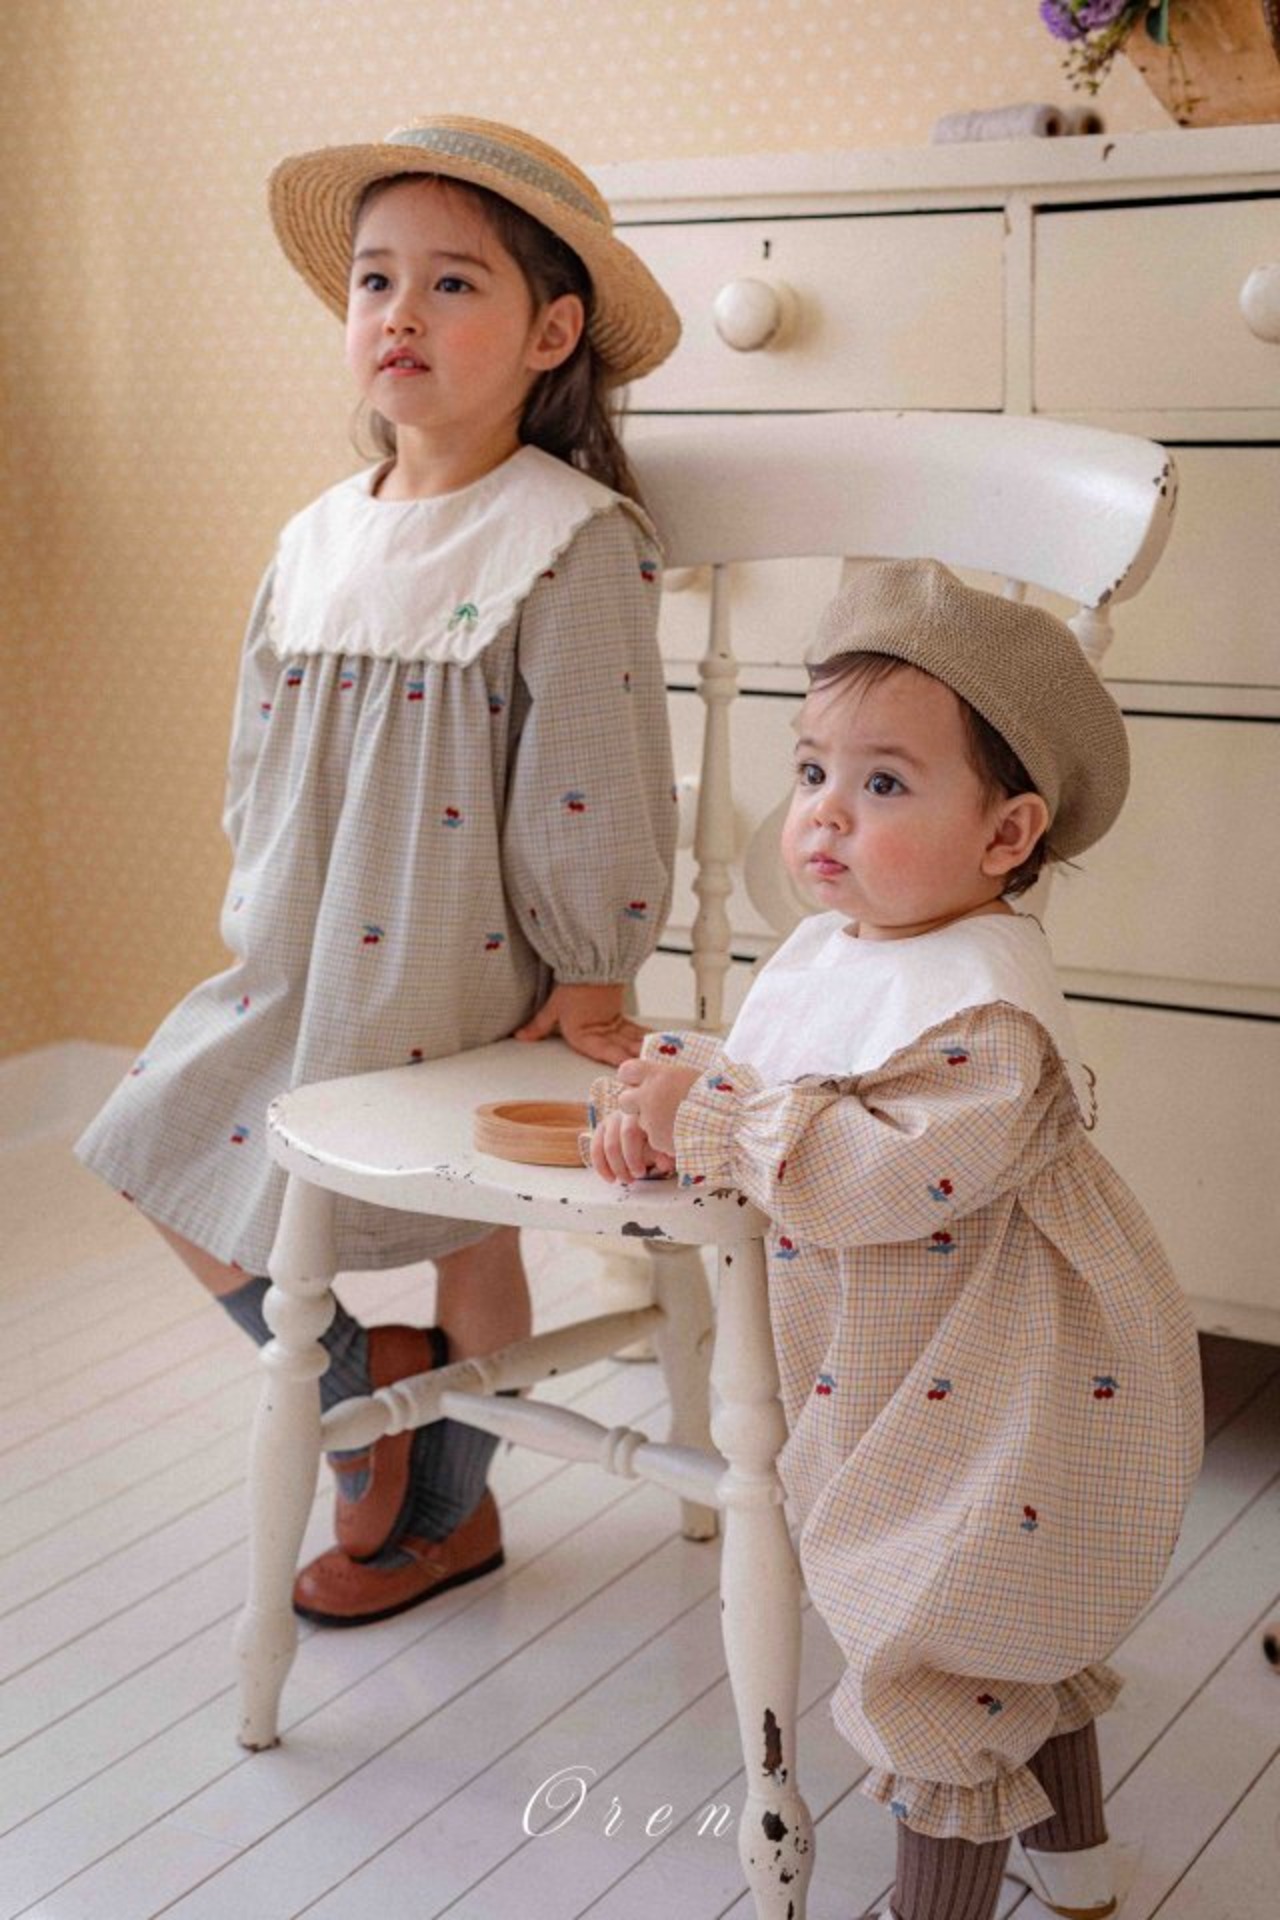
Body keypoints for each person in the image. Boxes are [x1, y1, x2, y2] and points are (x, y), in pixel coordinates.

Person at [75, 115, 681, 1629]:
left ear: (550, 334)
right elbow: (258, 753)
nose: (400, 311)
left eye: (452, 283)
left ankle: (446, 1513)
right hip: (298, 956)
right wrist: (256, 906)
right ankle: (365, 1391)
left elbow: (593, 769)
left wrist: (593, 961)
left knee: (473, 1227)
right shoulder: (317, 537)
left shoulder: (568, 535)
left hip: (460, 971)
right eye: (375, 280)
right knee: (152, 1137)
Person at [589, 560, 1202, 1920]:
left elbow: (880, 1170)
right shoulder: (839, 947)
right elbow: (777, 1087)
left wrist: (717, 1120)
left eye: (883, 783)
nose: (825, 813)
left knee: (947, 1635)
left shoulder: (985, 1002)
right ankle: (1082, 1869)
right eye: (814, 770)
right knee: (977, 1636)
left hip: (1005, 1383)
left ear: (1005, 835)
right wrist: (668, 1101)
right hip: (886, 1368)